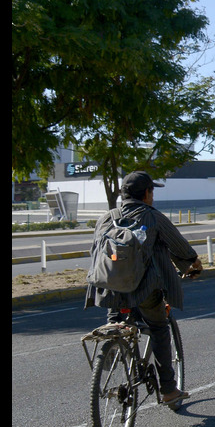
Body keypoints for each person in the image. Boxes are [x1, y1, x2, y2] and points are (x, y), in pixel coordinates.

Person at [85, 171, 203, 405]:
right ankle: (169, 389)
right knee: (159, 328)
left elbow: (95, 252)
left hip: (109, 291)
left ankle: (111, 355)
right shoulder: (153, 217)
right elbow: (179, 247)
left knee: (116, 324)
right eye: (152, 191)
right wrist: (193, 264)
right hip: (145, 290)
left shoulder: (106, 218)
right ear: (147, 193)